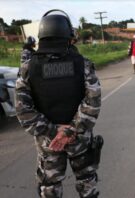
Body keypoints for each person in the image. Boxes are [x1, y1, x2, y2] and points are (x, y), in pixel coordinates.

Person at [15, 9, 102, 198]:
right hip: (79, 138)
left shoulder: (27, 68)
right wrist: (70, 131)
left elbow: (23, 111)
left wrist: (55, 132)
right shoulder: (83, 64)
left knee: (50, 187)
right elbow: (93, 102)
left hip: (49, 142)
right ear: (68, 35)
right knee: (87, 181)